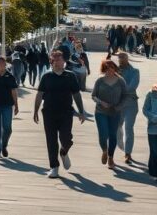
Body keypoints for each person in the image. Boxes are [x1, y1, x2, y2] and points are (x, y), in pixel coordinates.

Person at [34, 50, 86, 179]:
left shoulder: (70, 76)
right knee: (51, 141)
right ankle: (54, 167)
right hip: (49, 112)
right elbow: (40, 94)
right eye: (54, 60)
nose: (57, 62)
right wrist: (35, 110)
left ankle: (64, 152)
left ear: (64, 61)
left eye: (59, 59)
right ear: (51, 61)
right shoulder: (46, 76)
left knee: (66, 138)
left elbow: (76, 94)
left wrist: (81, 111)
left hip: (66, 112)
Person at [91, 60, 129, 170]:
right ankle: (104, 150)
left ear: (115, 68)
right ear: (104, 69)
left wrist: (119, 106)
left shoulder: (121, 81)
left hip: (115, 112)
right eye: (107, 68)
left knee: (112, 135)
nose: (109, 70)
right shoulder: (100, 81)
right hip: (100, 111)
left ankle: (111, 157)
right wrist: (101, 102)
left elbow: (126, 96)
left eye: (111, 67)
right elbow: (93, 96)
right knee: (103, 134)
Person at [114, 52, 140, 164]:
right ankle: (114, 150)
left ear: (127, 58)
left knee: (129, 129)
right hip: (117, 103)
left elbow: (132, 86)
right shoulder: (114, 70)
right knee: (116, 127)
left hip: (130, 103)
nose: (121, 60)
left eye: (123, 58)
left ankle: (128, 154)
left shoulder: (135, 71)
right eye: (119, 58)